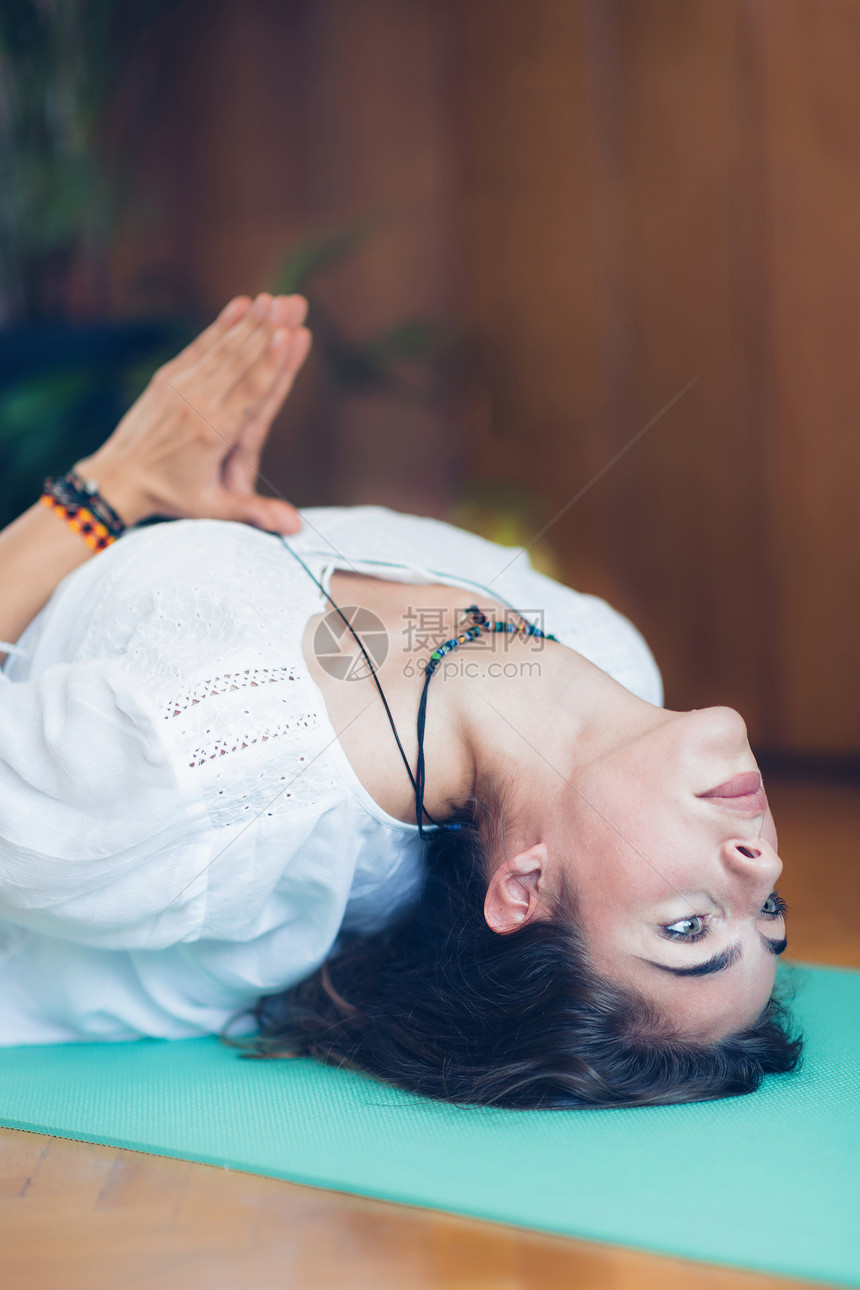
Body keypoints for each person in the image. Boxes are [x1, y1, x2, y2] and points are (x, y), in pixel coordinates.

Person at [0, 293, 800, 1107]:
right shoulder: (607, 649)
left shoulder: (199, 789)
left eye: (690, 927)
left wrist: (112, 485)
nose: (761, 862)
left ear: (526, 887)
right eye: (767, 908)